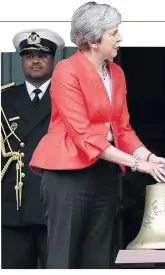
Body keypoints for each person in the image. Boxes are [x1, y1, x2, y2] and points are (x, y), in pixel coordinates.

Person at [29, 1, 165, 269]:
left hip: (105, 173)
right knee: (65, 256)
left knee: (99, 256)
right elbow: (84, 135)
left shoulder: (117, 72)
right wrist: (137, 164)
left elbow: (122, 129)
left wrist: (151, 158)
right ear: (93, 40)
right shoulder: (66, 70)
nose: (119, 37)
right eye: (113, 32)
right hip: (68, 174)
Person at [1, 29, 65, 269]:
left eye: (42, 55)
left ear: (53, 60)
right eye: (29, 56)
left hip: (54, 202)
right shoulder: (3, 99)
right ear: (22, 61)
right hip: (12, 205)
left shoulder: (66, 96)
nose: (35, 60)